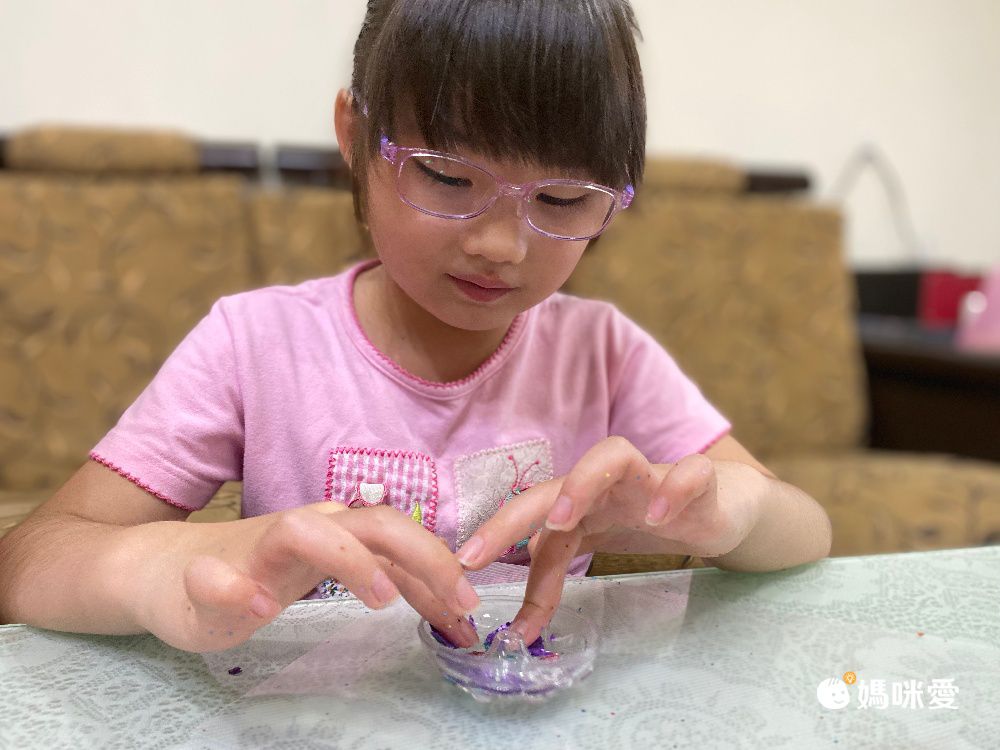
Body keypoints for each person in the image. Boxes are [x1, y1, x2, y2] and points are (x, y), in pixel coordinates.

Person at [0, 0, 831, 653]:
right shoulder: (255, 345)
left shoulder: (601, 353)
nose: (501, 245)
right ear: (355, 140)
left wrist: (735, 513)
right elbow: (31, 561)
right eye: (445, 177)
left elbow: (805, 529)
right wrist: (158, 570)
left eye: (562, 200)